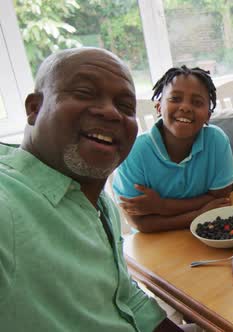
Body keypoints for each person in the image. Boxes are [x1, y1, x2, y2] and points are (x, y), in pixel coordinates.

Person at [0, 47, 182, 331]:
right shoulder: (9, 205)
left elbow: (124, 296)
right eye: (84, 92)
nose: (110, 113)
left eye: (125, 107)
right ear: (34, 108)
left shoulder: (98, 199)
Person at [113, 66, 233, 233]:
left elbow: (220, 199)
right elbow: (139, 223)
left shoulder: (216, 141)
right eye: (175, 99)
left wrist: (161, 206)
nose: (185, 107)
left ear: (208, 115)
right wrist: (198, 214)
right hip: (155, 243)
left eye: (197, 102)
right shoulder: (135, 151)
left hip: (209, 231)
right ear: (158, 107)